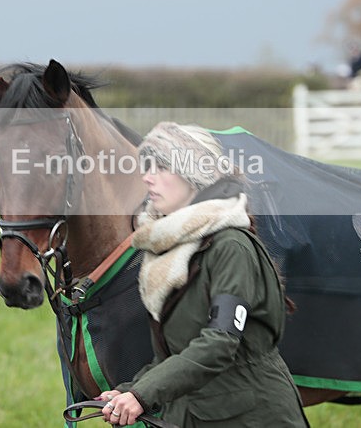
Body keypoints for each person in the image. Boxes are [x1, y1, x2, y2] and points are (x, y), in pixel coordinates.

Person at [98, 122, 308, 427]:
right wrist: (130, 390)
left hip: (253, 417)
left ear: (194, 175)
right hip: (194, 416)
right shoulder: (169, 249)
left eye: (161, 167)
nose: (147, 177)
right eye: (148, 167)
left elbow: (220, 342)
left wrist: (142, 395)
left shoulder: (231, 247)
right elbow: (174, 355)